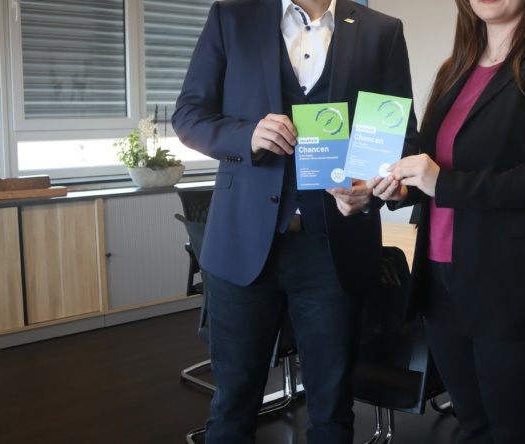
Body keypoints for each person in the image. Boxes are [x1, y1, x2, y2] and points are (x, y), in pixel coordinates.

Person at [171, 0, 416, 442]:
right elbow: (189, 116)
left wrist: (375, 186)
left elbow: (400, 136)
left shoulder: (382, 30)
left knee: (332, 411)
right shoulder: (231, 17)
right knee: (231, 408)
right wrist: (246, 134)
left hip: (334, 248)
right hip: (242, 242)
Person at [371, 0, 525, 442]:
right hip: (440, 280)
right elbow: (436, 167)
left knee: (517, 433)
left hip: (511, 285)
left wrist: (444, 183)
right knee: (473, 426)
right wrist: (401, 187)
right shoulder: (455, 69)